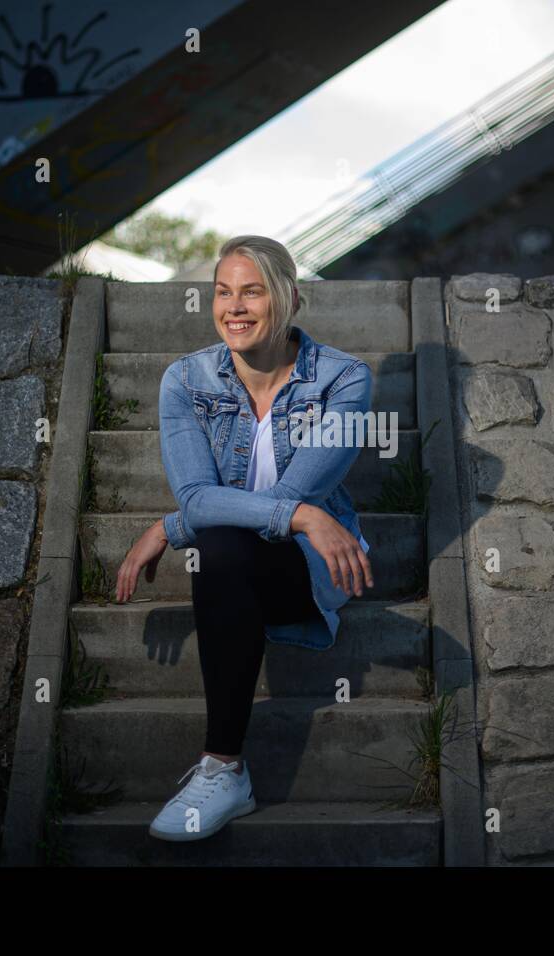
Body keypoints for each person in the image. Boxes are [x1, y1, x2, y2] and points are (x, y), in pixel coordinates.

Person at [113, 234, 375, 842]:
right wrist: (297, 515)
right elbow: (201, 500)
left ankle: (225, 769)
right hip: (237, 561)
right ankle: (224, 769)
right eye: (223, 292)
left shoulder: (344, 380)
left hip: (311, 569)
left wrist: (169, 528)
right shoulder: (184, 379)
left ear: (289, 299)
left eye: (252, 291)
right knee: (221, 548)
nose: (234, 307)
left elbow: (293, 496)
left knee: (216, 541)